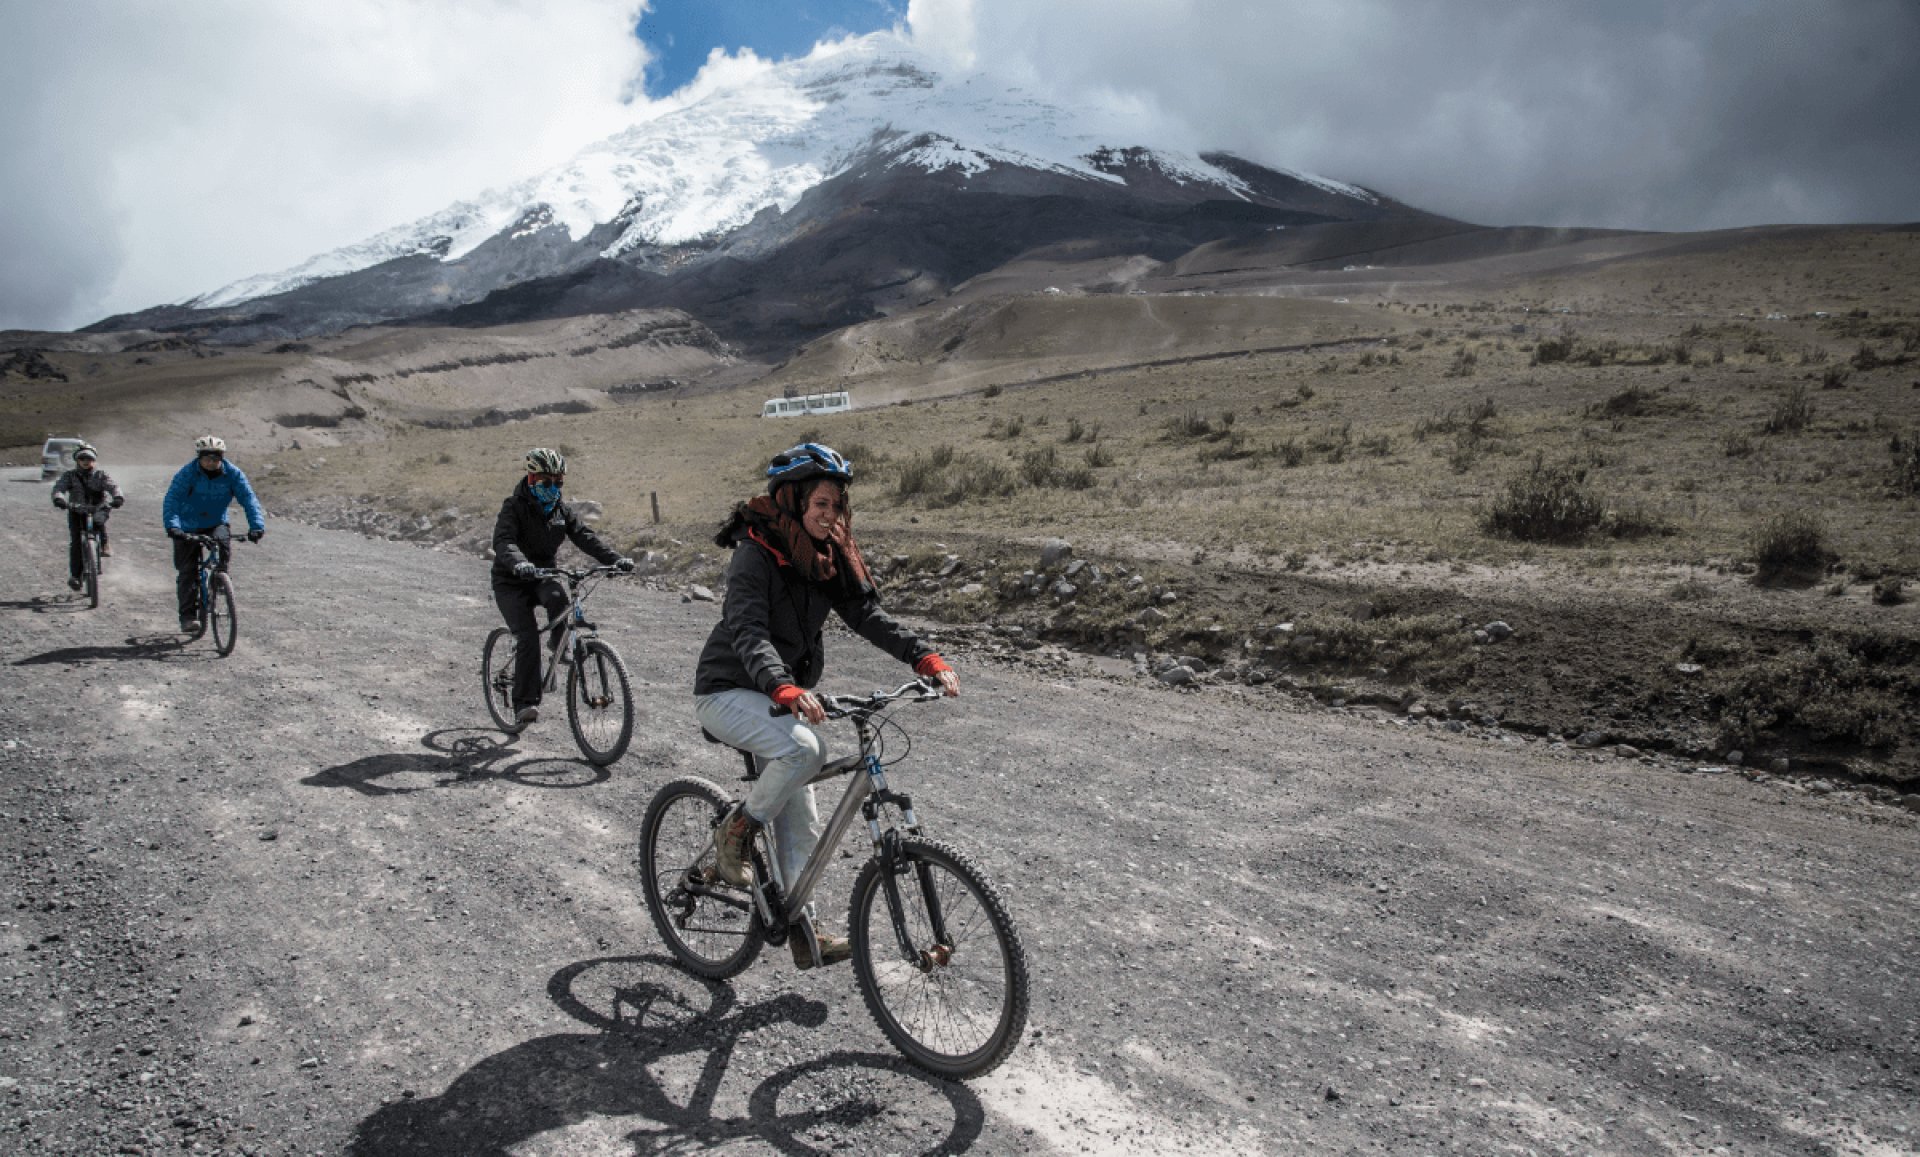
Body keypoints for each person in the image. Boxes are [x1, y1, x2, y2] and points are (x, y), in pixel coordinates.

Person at [693, 442, 959, 970]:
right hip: (727, 690)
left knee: (804, 817)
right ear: (792, 502)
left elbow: (866, 615)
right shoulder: (755, 553)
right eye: (821, 505)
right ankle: (736, 831)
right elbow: (747, 629)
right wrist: (783, 686)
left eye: (837, 506)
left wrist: (922, 656)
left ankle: (801, 926)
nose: (831, 515)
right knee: (806, 748)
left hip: (776, 696)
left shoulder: (826, 557)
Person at [490, 448, 633, 729]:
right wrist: (519, 563)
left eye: (559, 483)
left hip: (544, 574)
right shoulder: (513, 507)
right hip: (511, 581)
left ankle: (558, 642)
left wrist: (616, 560)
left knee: (559, 598)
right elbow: (504, 542)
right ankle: (524, 704)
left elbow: (585, 537)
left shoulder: (560, 510)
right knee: (528, 638)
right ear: (532, 479)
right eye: (547, 482)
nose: (554, 488)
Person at [162, 435, 266, 633]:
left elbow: (249, 500)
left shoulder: (233, 474)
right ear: (199, 457)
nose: (212, 462)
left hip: (215, 522)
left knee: (223, 545)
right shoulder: (187, 474)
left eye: (216, 458)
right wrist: (173, 527)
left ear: (222, 457)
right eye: (207, 458)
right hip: (187, 525)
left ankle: (220, 579)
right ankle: (188, 616)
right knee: (188, 572)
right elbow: (172, 501)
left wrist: (256, 526)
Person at [49, 443, 125, 589]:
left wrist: (118, 498)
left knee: (98, 521)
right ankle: (76, 576)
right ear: (77, 460)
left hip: (98, 508)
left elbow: (113, 487)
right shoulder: (69, 476)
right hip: (76, 510)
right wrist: (59, 499)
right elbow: (59, 488)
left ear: (94, 460)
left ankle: (104, 544)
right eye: (82, 458)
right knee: (76, 542)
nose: (85, 461)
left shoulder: (101, 475)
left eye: (89, 458)